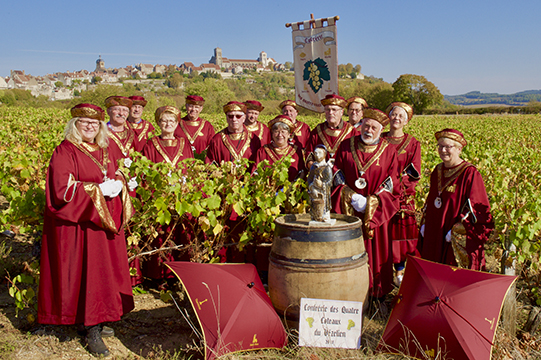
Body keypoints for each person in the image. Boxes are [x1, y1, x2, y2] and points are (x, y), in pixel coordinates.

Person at [38, 103, 135, 357]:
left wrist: (120, 183)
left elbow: (117, 172)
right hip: (79, 226)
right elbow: (61, 190)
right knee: (85, 274)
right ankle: (89, 327)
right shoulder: (65, 151)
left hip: (103, 224)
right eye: (84, 122)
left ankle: (101, 318)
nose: (90, 126)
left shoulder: (108, 147)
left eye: (95, 123)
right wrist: (96, 191)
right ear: (74, 125)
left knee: (102, 274)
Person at [332, 108, 400, 298]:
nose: (368, 130)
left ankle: (376, 293)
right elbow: (337, 172)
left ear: (380, 130)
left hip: (375, 215)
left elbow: (392, 182)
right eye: (366, 125)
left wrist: (371, 202)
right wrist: (350, 195)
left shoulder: (389, 151)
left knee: (375, 253)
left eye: (373, 127)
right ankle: (349, 292)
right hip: (349, 209)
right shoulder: (346, 146)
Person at [419, 129, 494, 271]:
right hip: (434, 231)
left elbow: (477, 209)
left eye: (448, 147)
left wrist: (458, 231)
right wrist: (425, 222)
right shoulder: (437, 170)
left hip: (451, 233)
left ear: (459, 149)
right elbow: (431, 200)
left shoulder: (470, 173)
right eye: (440, 146)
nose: (443, 150)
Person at [141, 106, 194, 284]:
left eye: (171, 121)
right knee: (162, 233)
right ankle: (158, 274)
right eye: (164, 121)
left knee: (181, 231)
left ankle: (180, 274)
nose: (168, 124)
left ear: (177, 123)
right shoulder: (151, 143)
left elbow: (190, 165)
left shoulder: (183, 142)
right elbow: (147, 171)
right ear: (158, 123)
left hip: (181, 194)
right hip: (160, 195)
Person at [382, 102, 421, 285]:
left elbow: (414, 172)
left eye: (400, 116)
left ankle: (399, 271)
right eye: (394, 114)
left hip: (402, 195)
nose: (396, 118)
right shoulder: (380, 139)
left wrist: (396, 186)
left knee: (400, 234)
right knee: (382, 231)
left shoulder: (412, 143)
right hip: (380, 192)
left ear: (406, 121)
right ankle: (381, 269)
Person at [306, 94, 355, 167]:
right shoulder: (318, 131)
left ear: (341, 112)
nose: (330, 113)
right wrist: (314, 167)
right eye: (327, 109)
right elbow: (309, 154)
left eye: (334, 110)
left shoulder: (352, 131)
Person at [254, 115, 305, 181]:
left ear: (289, 134)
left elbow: (302, 173)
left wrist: (292, 187)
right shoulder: (262, 151)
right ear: (272, 133)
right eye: (276, 131)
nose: (280, 135)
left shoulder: (296, 151)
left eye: (283, 132)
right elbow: (255, 173)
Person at [104, 95, 137, 164]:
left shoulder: (131, 134)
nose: (121, 113)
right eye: (117, 109)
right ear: (108, 112)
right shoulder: (100, 133)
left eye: (125, 110)